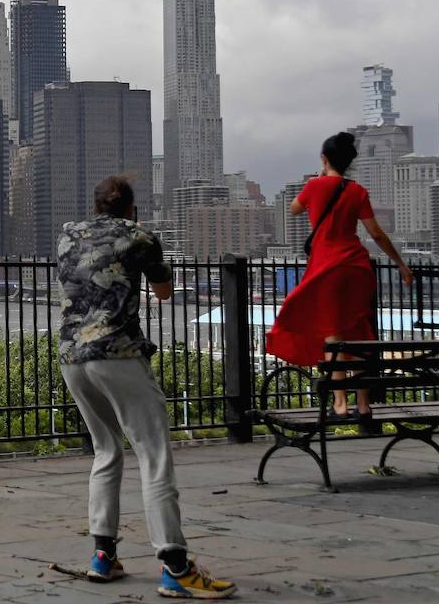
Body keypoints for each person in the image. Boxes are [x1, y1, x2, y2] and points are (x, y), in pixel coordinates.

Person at [57, 175, 236, 600]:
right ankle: (175, 566)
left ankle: (103, 555)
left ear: (96, 205)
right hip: (117, 353)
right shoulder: (140, 237)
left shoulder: (67, 235)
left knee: (106, 451)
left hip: (71, 357)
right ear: (131, 210)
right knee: (153, 454)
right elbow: (164, 292)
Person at [265, 132, 414, 421]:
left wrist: (319, 177)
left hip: (327, 267)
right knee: (356, 331)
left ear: (324, 159)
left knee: (332, 335)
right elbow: (376, 233)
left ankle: (341, 404)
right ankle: (364, 405)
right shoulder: (357, 190)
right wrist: (401, 264)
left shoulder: (314, 186)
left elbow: (294, 209)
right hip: (357, 267)